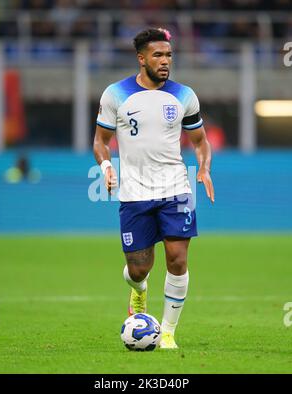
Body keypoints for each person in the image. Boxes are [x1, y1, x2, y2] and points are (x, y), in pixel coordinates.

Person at [93, 28, 214, 349]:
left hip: (175, 189)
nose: (165, 61)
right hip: (134, 194)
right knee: (138, 268)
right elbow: (100, 142)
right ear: (141, 58)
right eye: (158, 55)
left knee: (177, 259)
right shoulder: (115, 94)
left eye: (169, 55)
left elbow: (200, 141)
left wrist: (203, 167)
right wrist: (106, 167)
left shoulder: (184, 95)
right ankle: (139, 290)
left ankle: (169, 333)